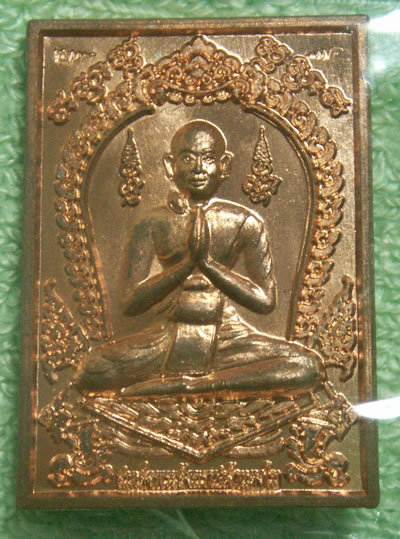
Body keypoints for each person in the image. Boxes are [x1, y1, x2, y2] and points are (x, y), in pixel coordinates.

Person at [76, 120, 322, 397]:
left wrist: (208, 265)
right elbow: (129, 303)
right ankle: (208, 381)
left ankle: (198, 385)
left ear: (224, 165)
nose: (198, 168)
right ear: (170, 166)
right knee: (91, 369)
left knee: (306, 366)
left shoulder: (244, 221)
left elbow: (265, 301)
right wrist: (183, 268)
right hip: (164, 336)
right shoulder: (152, 222)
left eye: (208, 159)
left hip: (228, 337)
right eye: (187, 158)